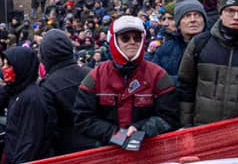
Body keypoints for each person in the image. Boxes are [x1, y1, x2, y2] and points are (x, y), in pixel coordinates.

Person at [73, 17, 179, 151]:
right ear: (114, 41)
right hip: (107, 153)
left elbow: (170, 118)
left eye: (137, 38)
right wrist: (116, 135)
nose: (132, 42)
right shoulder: (96, 76)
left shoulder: (159, 75)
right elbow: (83, 119)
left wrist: (140, 129)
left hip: (149, 151)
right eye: (125, 38)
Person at [0, 46, 54, 164]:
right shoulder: (17, 93)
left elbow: (29, 142)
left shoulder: (32, 97)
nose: (4, 68)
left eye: (8, 65)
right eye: (3, 64)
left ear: (21, 67)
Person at [35, 28, 86, 156]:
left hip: (67, 155)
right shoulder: (92, 74)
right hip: (101, 147)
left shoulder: (46, 87)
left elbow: (49, 130)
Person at [148, 0, 206, 78]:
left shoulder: (214, 47)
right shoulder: (165, 48)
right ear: (179, 22)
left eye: (198, 15)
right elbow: (153, 78)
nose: (193, 20)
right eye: (187, 16)